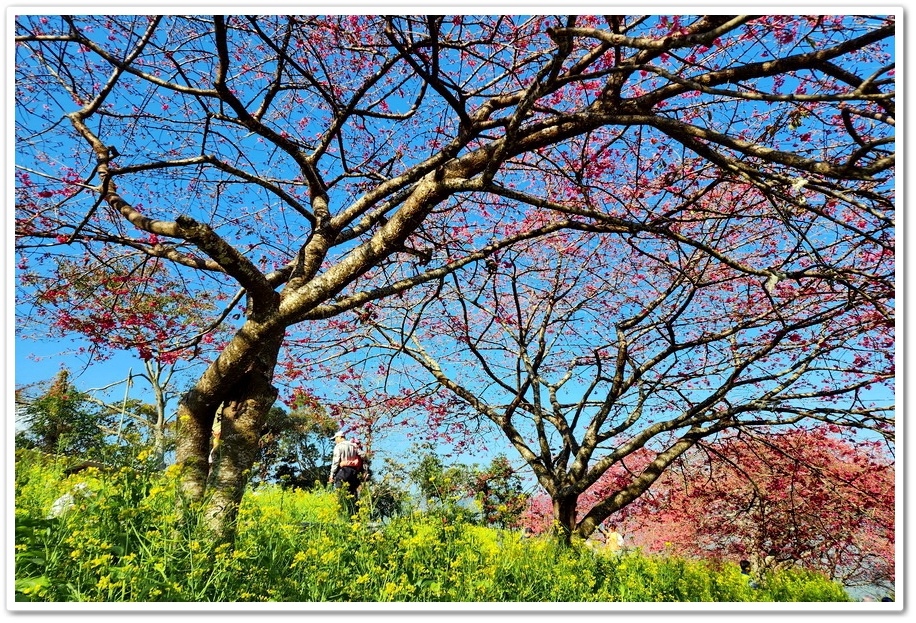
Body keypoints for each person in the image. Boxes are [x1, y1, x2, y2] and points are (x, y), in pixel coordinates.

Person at [329, 430, 363, 516]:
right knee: (353, 494)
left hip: (343, 471)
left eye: (335, 439)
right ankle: (354, 514)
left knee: (340, 493)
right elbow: (363, 455)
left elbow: (336, 461)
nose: (335, 441)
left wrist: (332, 474)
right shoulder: (354, 445)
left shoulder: (339, 446)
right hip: (354, 472)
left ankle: (341, 514)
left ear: (340, 437)